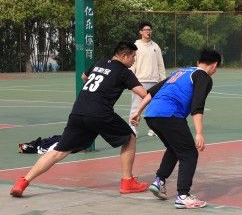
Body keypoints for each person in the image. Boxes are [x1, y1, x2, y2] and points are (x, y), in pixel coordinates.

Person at [10, 41, 149, 197]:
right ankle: (127, 182)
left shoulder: (100, 63)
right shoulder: (124, 72)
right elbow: (144, 94)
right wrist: (138, 111)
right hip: (100, 113)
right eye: (133, 56)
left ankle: (23, 182)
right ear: (123, 55)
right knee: (129, 138)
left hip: (79, 111)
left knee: (58, 152)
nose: (134, 60)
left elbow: (84, 77)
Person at [131, 48, 221, 209]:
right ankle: (183, 196)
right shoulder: (203, 77)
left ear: (198, 62)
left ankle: (159, 181)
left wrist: (138, 112)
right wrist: (199, 133)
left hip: (152, 115)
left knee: (174, 148)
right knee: (189, 153)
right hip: (169, 115)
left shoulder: (180, 72)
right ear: (214, 65)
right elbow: (197, 106)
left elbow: (151, 93)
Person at [130, 21, 166, 137]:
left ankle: (153, 129)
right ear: (141, 32)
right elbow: (132, 64)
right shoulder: (135, 46)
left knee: (153, 107)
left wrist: (163, 80)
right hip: (139, 81)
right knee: (136, 106)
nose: (148, 32)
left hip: (154, 81)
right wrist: (131, 80)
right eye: (145, 30)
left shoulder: (155, 46)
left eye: (149, 30)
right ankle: (132, 129)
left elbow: (160, 64)